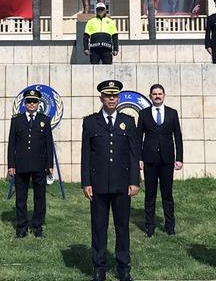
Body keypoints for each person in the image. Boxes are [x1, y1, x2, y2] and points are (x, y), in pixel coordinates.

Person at [81, 80, 140, 281]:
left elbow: (133, 154)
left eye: (114, 95)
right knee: (98, 226)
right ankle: (99, 268)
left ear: (119, 98)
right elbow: (86, 155)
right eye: (108, 95)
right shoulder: (90, 122)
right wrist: (86, 182)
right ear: (101, 98)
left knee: (122, 226)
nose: (111, 99)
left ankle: (124, 268)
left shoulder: (128, 121)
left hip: (122, 185)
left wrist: (135, 181)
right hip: (98, 185)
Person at [136, 84, 183, 237]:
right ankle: (149, 226)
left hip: (167, 159)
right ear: (150, 96)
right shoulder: (143, 114)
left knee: (167, 194)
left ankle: (170, 226)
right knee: (150, 195)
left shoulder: (172, 113)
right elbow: (138, 138)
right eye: (154, 94)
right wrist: (139, 158)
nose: (157, 96)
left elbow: (178, 137)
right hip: (149, 159)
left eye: (160, 93)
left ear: (164, 95)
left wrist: (179, 158)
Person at [7, 88, 55, 238]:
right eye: (29, 101)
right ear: (25, 103)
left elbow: (48, 144)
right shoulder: (16, 120)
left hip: (39, 165)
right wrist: (11, 165)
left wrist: (49, 164)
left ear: (39, 104)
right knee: (21, 197)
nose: (32, 104)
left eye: (35, 101)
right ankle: (21, 226)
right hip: (21, 165)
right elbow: (11, 144)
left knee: (39, 197)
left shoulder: (44, 120)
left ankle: (37, 226)